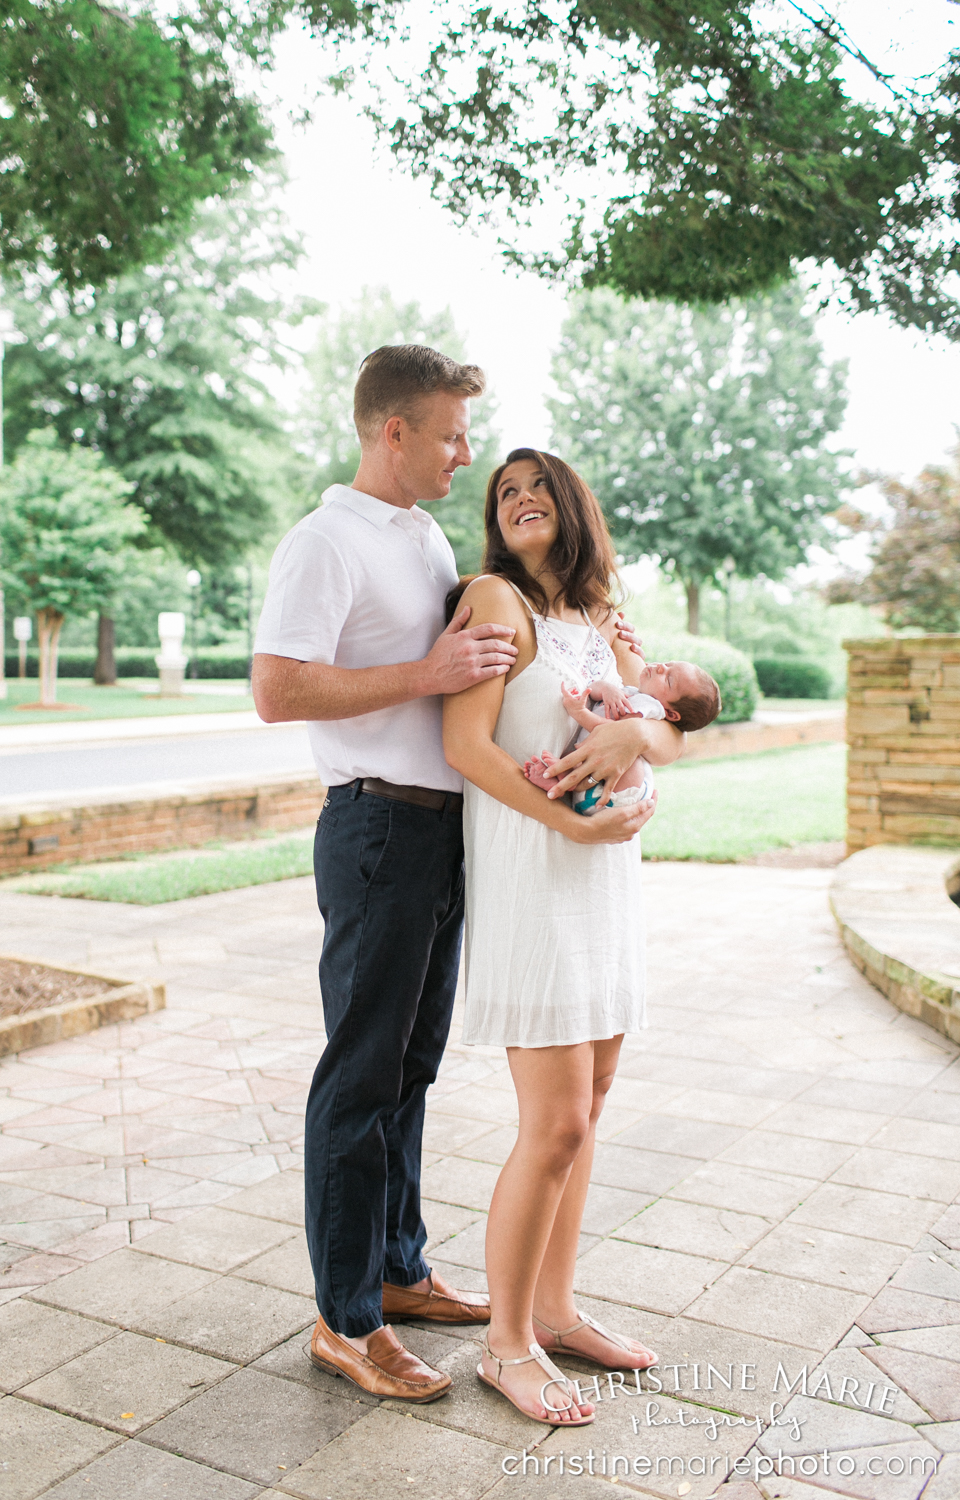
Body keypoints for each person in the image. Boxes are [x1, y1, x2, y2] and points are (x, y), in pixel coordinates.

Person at [253, 345, 521, 1403]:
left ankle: (399, 1271)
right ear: (391, 432)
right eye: (450, 433)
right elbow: (277, 689)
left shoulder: (422, 534)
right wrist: (431, 673)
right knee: (359, 1078)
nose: (466, 452)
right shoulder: (325, 542)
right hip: (372, 831)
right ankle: (345, 1319)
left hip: (437, 834)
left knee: (411, 1070)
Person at [442, 447, 685, 1426]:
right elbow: (465, 745)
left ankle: (556, 1308)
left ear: (573, 507)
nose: (521, 501)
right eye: (505, 492)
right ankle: (506, 1346)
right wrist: (573, 819)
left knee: (593, 1102)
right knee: (555, 1125)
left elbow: (661, 725)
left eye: (539, 488)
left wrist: (638, 741)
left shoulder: (598, 618)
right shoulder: (493, 599)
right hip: (535, 878)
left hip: (604, 884)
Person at [525, 662, 721, 814]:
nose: (661, 667)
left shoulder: (648, 708)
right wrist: (607, 689)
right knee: (594, 755)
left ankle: (565, 781)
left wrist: (580, 714)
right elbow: (592, 689)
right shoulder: (635, 693)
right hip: (598, 782)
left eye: (669, 679)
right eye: (669, 664)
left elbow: (614, 734)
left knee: (627, 761)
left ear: (670, 714)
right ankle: (563, 779)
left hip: (618, 796)